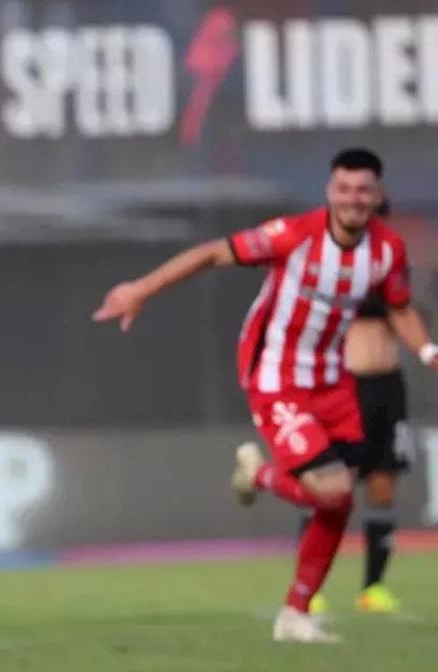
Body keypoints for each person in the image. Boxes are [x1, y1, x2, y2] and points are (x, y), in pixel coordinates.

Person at [93, 148, 438, 643]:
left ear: (377, 195)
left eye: (363, 190)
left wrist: (427, 351)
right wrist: (141, 290)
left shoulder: (387, 251)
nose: (353, 199)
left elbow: (401, 307)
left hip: (334, 380)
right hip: (276, 376)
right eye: (344, 189)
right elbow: (212, 253)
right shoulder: (294, 235)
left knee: (337, 503)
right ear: (330, 192)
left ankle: (294, 614)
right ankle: (258, 474)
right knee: (334, 489)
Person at [304, 197, 412, 615]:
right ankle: (310, 589)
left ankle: (373, 588)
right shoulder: (331, 265)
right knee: (328, 486)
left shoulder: (394, 264)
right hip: (344, 386)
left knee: (383, 485)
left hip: (387, 387)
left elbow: (405, 314)